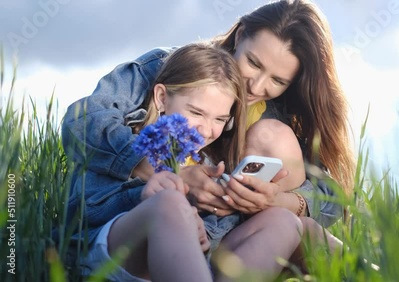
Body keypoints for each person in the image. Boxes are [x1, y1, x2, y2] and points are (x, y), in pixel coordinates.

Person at [63, 0, 355, 276]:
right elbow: (83, 121)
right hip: (128, 228)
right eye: (253, 62)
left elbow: (329, 194)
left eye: (278, 81)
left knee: (290, 221)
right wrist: (166, 170)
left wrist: (281, 201)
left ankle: (386, 272)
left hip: (218, 239)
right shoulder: (170, 69)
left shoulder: (273, 114)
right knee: (171, 207)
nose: (256, 85)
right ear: (240, 36)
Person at [62, 43, 302, 281]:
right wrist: (153, 194)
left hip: (192, 264)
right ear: (162, 97)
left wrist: (232, 205)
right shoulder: (130, 138)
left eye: (220, 119)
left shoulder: (207, 163)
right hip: (114, 249)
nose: (206, 129)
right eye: (196, 113)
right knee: (169, 202)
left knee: (285, 220)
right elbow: (90, 209)